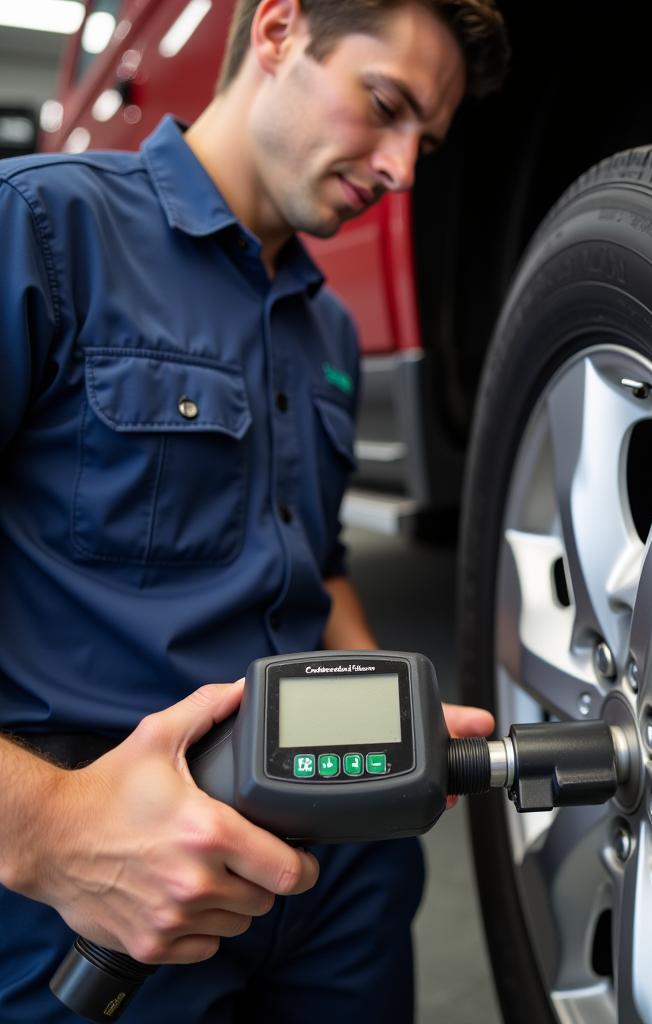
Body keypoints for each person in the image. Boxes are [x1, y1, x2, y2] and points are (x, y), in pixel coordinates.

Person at [0, 0, 509, 1020]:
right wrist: (45, 829)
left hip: (335, 876)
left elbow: (315, 566)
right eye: (386, 105)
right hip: (103, 889)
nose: (404, 167)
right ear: (277, 31)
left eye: (428, 140)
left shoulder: (325, 321)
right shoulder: (43, 228)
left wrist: (393, 716)